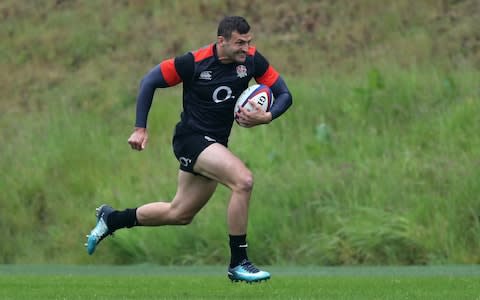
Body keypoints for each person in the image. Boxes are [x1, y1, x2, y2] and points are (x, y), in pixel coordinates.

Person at [85, 15, 292, 283]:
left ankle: (111, 219)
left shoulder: (252, 60)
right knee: (244, 181)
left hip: (215, 144)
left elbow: (285, 94)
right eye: (240, 42)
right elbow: (150, 81)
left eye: (249, 42)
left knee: (180, 213)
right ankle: (238, 263)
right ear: (222, 41)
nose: (246, 47)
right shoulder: (194, 62)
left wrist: (267, 116)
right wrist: (140, 128)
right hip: (191, 139)